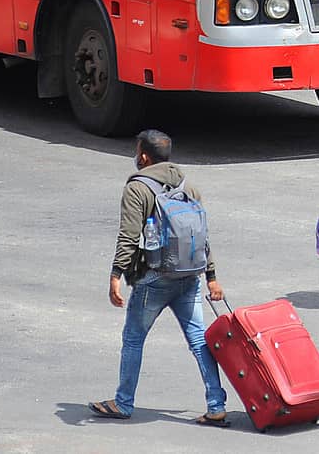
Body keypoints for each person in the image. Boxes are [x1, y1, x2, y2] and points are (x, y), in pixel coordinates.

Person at [88, 129, 228, 425]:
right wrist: (212, 276)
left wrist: (116, 274)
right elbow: (201, 236)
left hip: (155, 278)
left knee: (133, 339)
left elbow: (128, 235)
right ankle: (216, 404)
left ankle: (123, 402)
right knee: (199, 340)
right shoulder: (189, 186)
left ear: (143, 156)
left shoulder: (138, 189)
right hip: (190, 277)